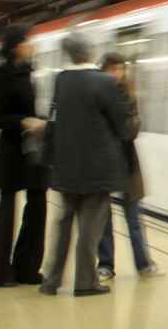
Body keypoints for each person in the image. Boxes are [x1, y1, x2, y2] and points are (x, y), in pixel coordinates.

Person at [40, 36, 130, 297]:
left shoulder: (62, 80)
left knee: (64, 224)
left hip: (66, 167)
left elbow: (54, 118)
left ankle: (52, 280)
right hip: (97, 169)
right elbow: (122, 123)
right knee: (90, 229)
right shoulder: (104, 81)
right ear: (90, 51)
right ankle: (85, 282)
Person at [0, 26, 48, 288]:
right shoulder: (2, 73)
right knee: (7, 210)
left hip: (31, 151)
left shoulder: (28, 71)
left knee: (38, 206)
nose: (32, 45)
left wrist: (39, 121)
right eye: (27, 41)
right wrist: (24, 122)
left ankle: (28, 268)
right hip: (11, 151)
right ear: (16, 46)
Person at [97, 53, 161, 280]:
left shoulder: (128, 96)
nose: (117, 73)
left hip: (126, 164)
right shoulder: (97, 95)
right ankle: (105, 265)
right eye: (112, 69)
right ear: (103, 70)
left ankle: (143, 264)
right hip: (102, 163)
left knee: (134, 218)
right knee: (103, 219)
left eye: (120, 69)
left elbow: (130, 131)